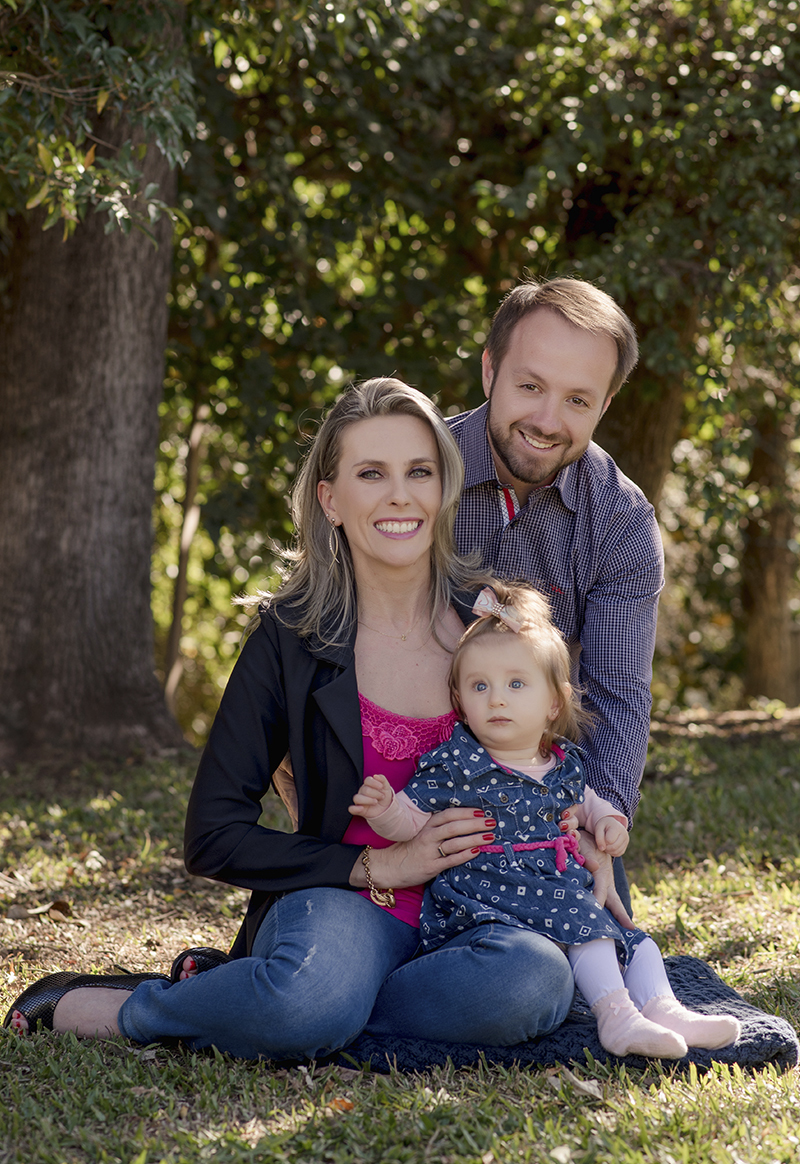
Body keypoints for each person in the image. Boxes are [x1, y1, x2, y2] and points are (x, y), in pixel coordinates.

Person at [6, 378, 595, 1059]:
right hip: (348, 907)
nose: (399, 495)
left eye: (419, 472)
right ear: (331, 499)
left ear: (444, 489)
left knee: (537, 982)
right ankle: (134, 1007)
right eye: (370, 473)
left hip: (480, 916)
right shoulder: (290, 638)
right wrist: (380, 863)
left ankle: (276, 1000)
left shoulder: (491, 622)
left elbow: (550, 763)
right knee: (313, 995)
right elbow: (214, 834)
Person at [352, 582, 741, 1059]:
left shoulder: (564, 762)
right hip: (487, 896)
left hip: (557, 888)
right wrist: (386, 809)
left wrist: (609, 824)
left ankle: (663, 1007)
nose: (497, 699)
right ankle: (616, 1018)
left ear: (553, 703)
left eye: (516, 684)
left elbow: (592, 803)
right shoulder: (456, 762)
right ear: (459, 698)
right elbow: (412, 823)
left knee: (636, 942)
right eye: (480, 686)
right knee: (586, 925)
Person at [447, 279, 664, 904]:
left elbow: (616, 694)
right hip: (408, 777)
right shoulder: (416, 473)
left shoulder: (620, 518)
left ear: (606, 404)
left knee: (591, 967)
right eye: (531, 386)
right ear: (490, 370)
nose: (547, 421)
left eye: (577, 400)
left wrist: (602, 820)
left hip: (537, 787)